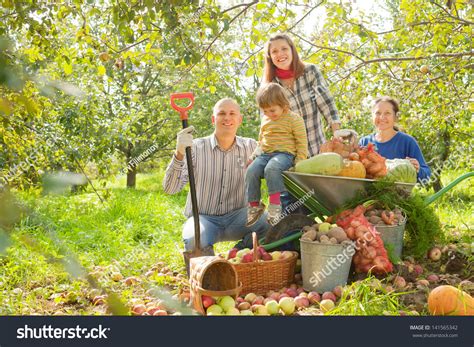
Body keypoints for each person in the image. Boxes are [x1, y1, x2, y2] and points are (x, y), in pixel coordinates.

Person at [163, 98, 270, 252]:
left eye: (232, 113)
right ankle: (211, 271)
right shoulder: (194, 148)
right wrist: (179, 152)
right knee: (194, 240)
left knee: (270, 223)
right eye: (221, 114)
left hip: (239, 217)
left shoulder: (252, 147)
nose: (227, 118)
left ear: (240, 120)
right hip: (203, 219)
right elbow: (170, 189)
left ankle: (238, 254)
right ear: (213, 119)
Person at [262, 33, 341, 214]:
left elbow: (326, 102)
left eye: (284, 48)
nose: (280, 54)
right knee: (294, 206)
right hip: (290, 155)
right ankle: (295, 236)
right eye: (274, 51)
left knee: (322, 201)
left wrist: (336, 131)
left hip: (315, 151)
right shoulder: (270, 86)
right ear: (270, 57)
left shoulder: (309, 72)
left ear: (292, 50)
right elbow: (268, 122)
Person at [245, 83, 308, 226]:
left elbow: (302, 142)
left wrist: (300, 161)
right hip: (266, 154)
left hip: (285, 155)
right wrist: (253, 156)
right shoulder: (266, 120)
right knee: (251, 171)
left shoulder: (294, 119)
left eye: (272, 110)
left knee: (271, 168)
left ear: (283, 104)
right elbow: (261, 142)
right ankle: (255, 205)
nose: (268, 114)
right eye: (265, 111)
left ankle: (275, 204)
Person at [359, 96, 431, 182]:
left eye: (387, 113)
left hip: (398, 194)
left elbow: (427, 176)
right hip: (366, 194)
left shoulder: (407, 142)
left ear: (395, 117)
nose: (382, 117)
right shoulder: (364, 142)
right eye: (378, 113)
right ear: (372, 116)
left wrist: (418, 169)